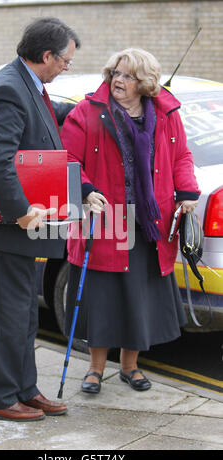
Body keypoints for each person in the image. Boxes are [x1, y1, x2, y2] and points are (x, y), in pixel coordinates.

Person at [0, 17, 81, 421]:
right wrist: (23, 212)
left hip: (14, 230)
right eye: (65, 60)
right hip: (0, 228)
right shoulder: (9, 88)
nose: (66, 67)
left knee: (24, 312)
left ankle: (23, 389)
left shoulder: (28, 84)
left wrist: (100, 103)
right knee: (7, 315)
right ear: (46, 56)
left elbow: (50, 114)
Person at [61, 48, 200, 394]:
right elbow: (66, 157)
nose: (118, 81)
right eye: (115, 74)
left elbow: (181, 155)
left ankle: (130, 366)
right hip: (105, 218)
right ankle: (94, 370)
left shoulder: (165, 113)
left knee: (138, 297)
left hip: (149, 221)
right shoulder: (88, 111)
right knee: (102, 297)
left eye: (128, 76)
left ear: (145, 84)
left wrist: (186, 193)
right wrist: (86, 189)